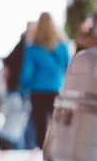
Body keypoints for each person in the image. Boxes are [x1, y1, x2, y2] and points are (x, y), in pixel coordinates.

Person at [20, 11, 71, 149]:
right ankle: (57, 149)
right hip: (57, 89)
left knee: (40, 125)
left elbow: (27, 73)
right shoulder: (63, 46)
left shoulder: (32, 49)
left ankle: (43, 152)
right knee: (57, 123)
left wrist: (23, 88)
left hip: (37, 92)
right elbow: (69, 67)